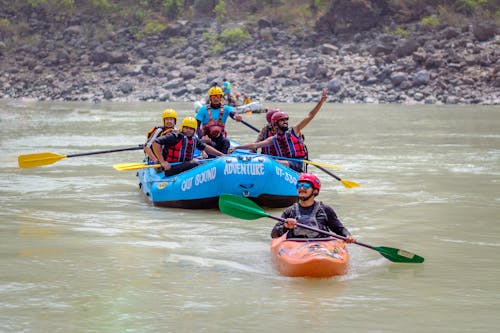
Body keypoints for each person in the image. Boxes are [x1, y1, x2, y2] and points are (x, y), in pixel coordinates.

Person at [229, 88, 328, 172]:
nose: (285, 122)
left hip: (296, 164)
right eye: (282, 120)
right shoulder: (273, 138)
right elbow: (255, 145)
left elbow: (309, 116)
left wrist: (321, 102)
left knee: (271, 163)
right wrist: (237, 148)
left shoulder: (294, 131)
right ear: (275, 124)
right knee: (267, 161)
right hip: (283, 162)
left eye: (286, 120)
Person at [271, 173, 355, 242]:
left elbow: (340, 229)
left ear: (315, 191)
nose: (302, 188)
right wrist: (285, 226)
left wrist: (348, 236)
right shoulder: (290, 211)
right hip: (296, 247)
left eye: (306, 186)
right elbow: (274, 234)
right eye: (299, 186)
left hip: (321, 247)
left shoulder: (325, 210)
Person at [152, 116, 225, 177]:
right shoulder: (175, 136)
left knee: (205, 163)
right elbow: (155, 142)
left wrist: (222, 155)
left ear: (194, 130)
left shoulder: (194, 139)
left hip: (184, 165)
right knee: (195, 163)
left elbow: (205, 147)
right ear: (182, 128)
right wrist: (162, 161)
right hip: (170, 168)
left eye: (191, 129)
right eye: (186, 128)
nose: (188, 131)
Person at [195, 85, 242, 156]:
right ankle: (210, 160)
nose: (216, 99)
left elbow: (233, 114)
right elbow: (196, 126)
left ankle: (223, 159)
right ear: (210, 98)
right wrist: (201, 137)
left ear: (221, 97)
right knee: (210, 143)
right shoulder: (203, 110)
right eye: (214, 96)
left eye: (218, 96)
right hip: (207, 139)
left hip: (220, 138)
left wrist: (236, 117)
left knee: (226, 141)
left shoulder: (226, 109)